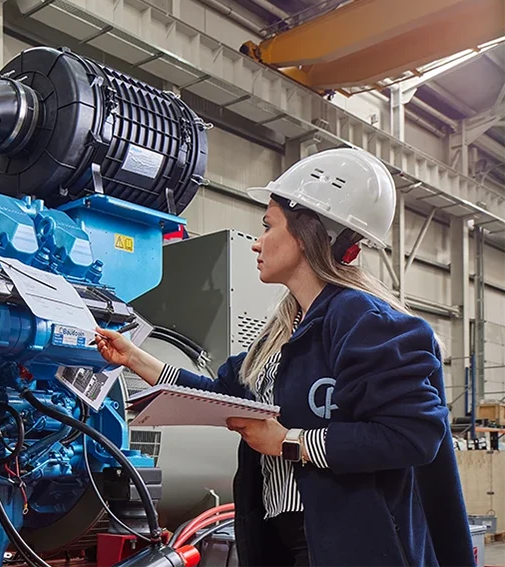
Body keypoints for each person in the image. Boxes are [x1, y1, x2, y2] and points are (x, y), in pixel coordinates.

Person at [95, 147, 472, 567]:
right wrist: (135, 359)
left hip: (352, 544)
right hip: (288, 540)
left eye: (267, 226)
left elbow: (412, 435)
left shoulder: (367, 322)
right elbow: (221, 393)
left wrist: (289, 443)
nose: (256, 242)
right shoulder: (282, 331)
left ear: (307, 232)